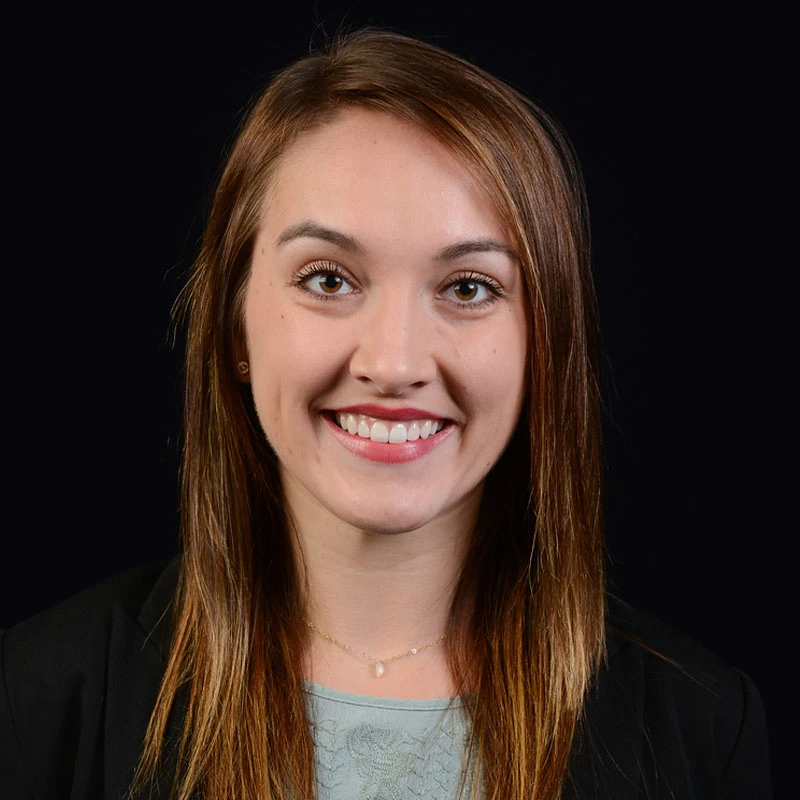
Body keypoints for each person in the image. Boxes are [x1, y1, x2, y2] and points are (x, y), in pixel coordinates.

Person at [0, 29, 771, 800]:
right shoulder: (37, 698)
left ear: (546, 343)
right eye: (329, 279)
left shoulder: (698, 726)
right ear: (236, 325)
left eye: (468, 288)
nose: (396, 364)